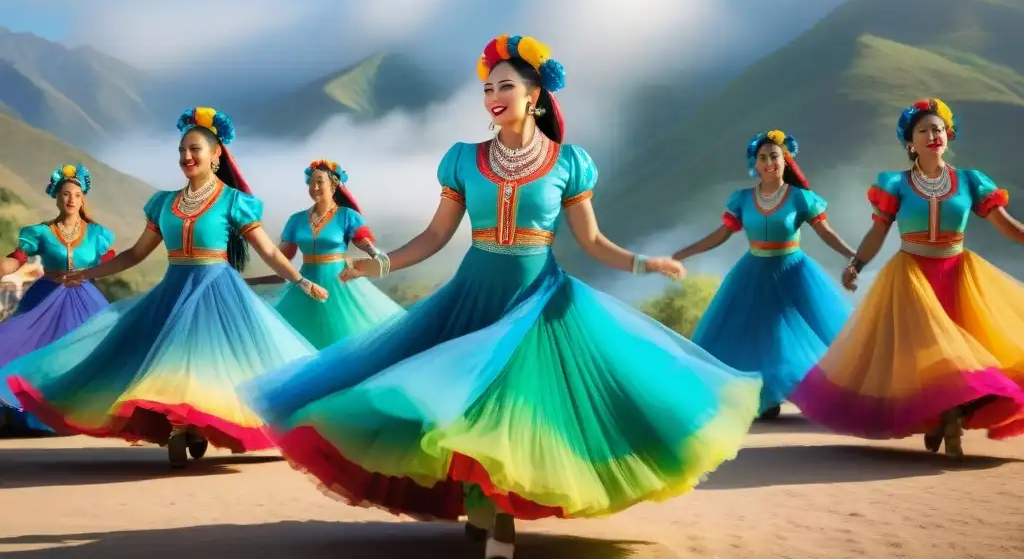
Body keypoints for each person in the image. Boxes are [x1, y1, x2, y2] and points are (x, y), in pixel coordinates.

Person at [243, 35, 762, 559]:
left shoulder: (569, 163)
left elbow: (592, 240)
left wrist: (643, 263)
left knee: (516, 411)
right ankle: (485, 506)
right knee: (460, 406)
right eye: (487, 87)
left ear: (535, 94)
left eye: (506, 85)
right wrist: (378, 263)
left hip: (540, 299)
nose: (493, 94)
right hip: (473, 292)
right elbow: (434, 237)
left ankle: (499, 519)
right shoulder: (464, 160)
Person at [0, 107, 324, 467]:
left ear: (216, 155)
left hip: (218, 292)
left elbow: (268, 251)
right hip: (173, 291)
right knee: (164, 363)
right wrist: (89, 274)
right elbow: (136, 253)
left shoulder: (234, 202)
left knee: (210, 366)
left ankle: (195, 428)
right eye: (182, 150)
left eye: (195, 149)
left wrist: (300, 279)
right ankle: (183, 427)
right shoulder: (164, 203)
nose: (186, 157)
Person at [791, 98, 1024, 459]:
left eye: (938, 128)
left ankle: (952, 417)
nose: (933, 135)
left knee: (973, 357)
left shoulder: (970, 181)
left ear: (948, 135)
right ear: (910, 143)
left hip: (960, 276)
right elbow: (877, 232)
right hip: (913, 277)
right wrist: (856, 264)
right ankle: (945, 420)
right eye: (924, 130)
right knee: (935, 359)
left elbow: (1007, 227)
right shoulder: (896, 184)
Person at [673, 130, 855, 420]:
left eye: (775, 156)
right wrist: (681, 254)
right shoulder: (742, 200)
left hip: (793, 271)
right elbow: (720, 236)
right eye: (763, 158)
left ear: (786, 160)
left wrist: (852, 255)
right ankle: (765, 397)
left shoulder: (801, 199)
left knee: (795, 334)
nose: (769, 162)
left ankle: (817, 392)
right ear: (754, 164)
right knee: (754, 335)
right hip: (753, 271)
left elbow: (825, 233)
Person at [0, 164, 114, 433]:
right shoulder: (40, 232)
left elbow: (112, 261)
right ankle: (38, 414)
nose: (71, 199)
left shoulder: (97, 234)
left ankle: (86, 413)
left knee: (92, 351)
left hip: (85, 299)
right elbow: (15, 260)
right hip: (46, 299)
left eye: (76, 194)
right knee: (39, 353)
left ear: (82, 198)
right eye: (65, 194)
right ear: (56, 196)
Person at [245, 159, 406, 349]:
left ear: (334, 184)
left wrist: (375, 254)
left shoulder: (347, 216)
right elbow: (282, 255)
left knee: (347, 337)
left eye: (319, 181)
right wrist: (256, 238)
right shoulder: (296, 220)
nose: (314, 187)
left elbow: (362, 241)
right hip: (306, 282)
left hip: (340, 282)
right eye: (311, 183)